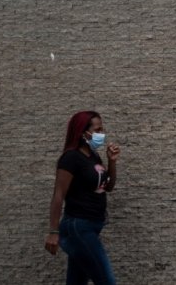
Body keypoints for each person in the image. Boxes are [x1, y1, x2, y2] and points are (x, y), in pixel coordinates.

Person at [45, 111, 121, 285]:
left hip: (93, 225)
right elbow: (58, 195)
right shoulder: (71, 158)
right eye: (97, 129)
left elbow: (108, 187)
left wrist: (112, 162)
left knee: (77, 281)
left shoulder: (93, 156)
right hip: (78, 227)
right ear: (83, 133)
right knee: (106, 281)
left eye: (102, 129)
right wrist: (53, 232)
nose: (102, 133)